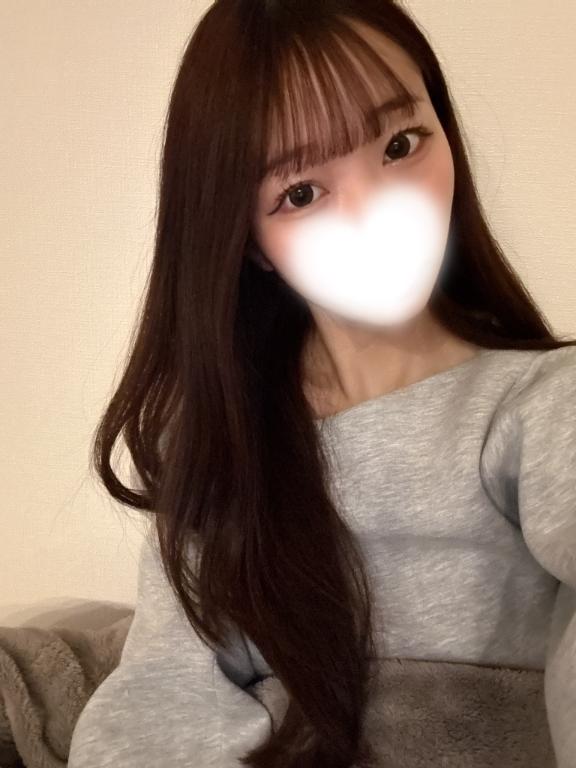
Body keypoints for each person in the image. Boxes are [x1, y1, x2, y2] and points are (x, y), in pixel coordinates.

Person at [68, 1, 576, 766]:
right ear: (251, 242)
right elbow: (162, 698)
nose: (377, 212)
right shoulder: (225, 444)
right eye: (302, 192)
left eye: (401, 143)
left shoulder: (539, 404)